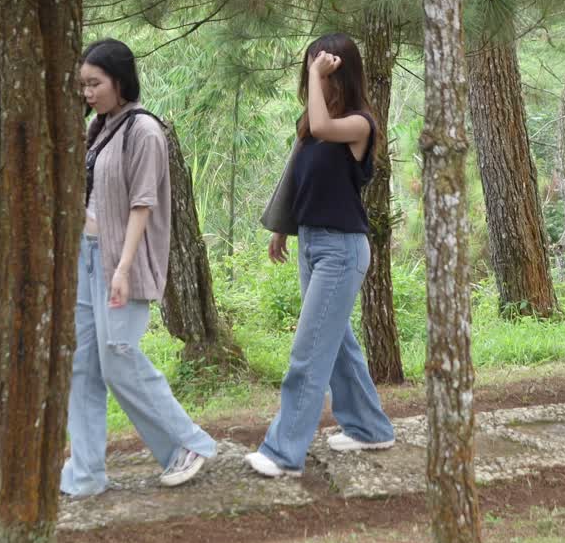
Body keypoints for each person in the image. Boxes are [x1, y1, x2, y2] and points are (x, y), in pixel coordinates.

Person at [60, 38, 216, 495]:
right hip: (86, 258)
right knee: (83, 366)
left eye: (95, 84)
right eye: (83, 85)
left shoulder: (143, 131)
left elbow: (142, 205)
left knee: (119, 357)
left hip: (119, 261)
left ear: (120, 81)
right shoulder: (101, 128)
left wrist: (123, 267)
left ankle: (187, 444)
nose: (87, 93)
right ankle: (85, 473)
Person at [246, 32, 396, 478]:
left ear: (342, 74)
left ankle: (282, 452)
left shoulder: (358, 124)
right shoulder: (308, 127)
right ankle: (369, 428)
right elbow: (300, 180)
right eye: (313, 69)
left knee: (308, 353)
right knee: (338, 347)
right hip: (312, 242)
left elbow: (324, 127)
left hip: (341, 250)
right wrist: (282, 229)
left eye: (326, 71)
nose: (317, 78)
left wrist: (315, 71)